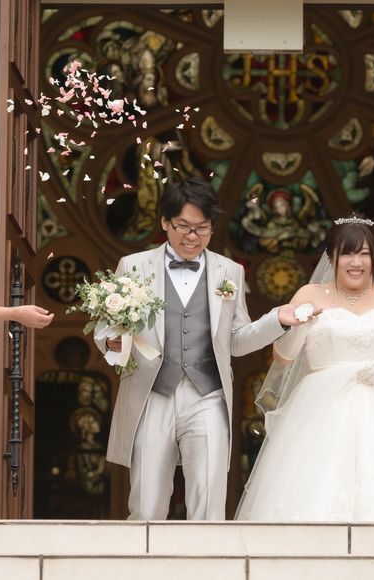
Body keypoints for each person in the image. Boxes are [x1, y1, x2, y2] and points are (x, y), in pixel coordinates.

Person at [95, 176, 303, 520]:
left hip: (208, 395)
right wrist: (111, 342)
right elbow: (107, 326)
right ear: (165, 222)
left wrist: (277, 320)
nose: (192, 236)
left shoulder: (230, 271)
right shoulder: (133, 266)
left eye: (202, 228)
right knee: (146, 505)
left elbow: (235, 340)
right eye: (183, 226)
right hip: (151, 393)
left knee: (208, 505)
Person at [236, 216, 374, 522]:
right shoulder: (309, 293)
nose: (356, 263)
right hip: (320, 404)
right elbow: (283, 357)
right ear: (331, 257)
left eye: (364, 254)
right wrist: (301, 326)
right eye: (346, 253)